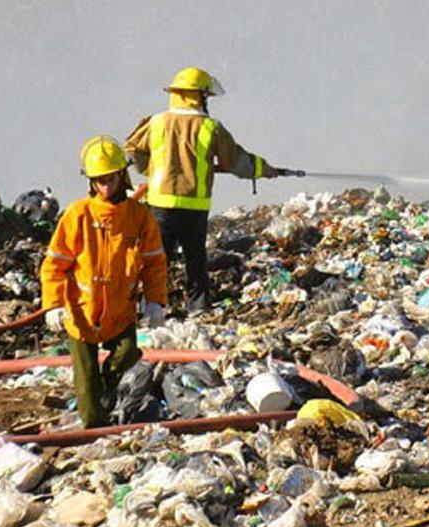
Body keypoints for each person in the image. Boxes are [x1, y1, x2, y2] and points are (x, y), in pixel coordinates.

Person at [125, 67, 303, 313]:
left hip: (160, 206)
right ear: (197, 96)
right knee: (195, 262)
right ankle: (198, 309)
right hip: (194, 207)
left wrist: (150, 169)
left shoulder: (156, 123)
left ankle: (148, 309)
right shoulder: (210, 127)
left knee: (156, 261)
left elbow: (132, 149)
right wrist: (267, 169)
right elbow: (237, 162)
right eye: (205, 97)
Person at [40, 136, 167, 428]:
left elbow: (155, 264)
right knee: (87, 391)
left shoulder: (139, 217)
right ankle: (95, 430)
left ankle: (108, 395)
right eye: (100, 181)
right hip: (81, 314)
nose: (106, 187)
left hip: (121, 311)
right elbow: (54, 265)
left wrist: (155, 302)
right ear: (91, 182)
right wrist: (54, 305)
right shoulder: (77, 215)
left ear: (122, 175)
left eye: (110, 179)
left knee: (127, 356)